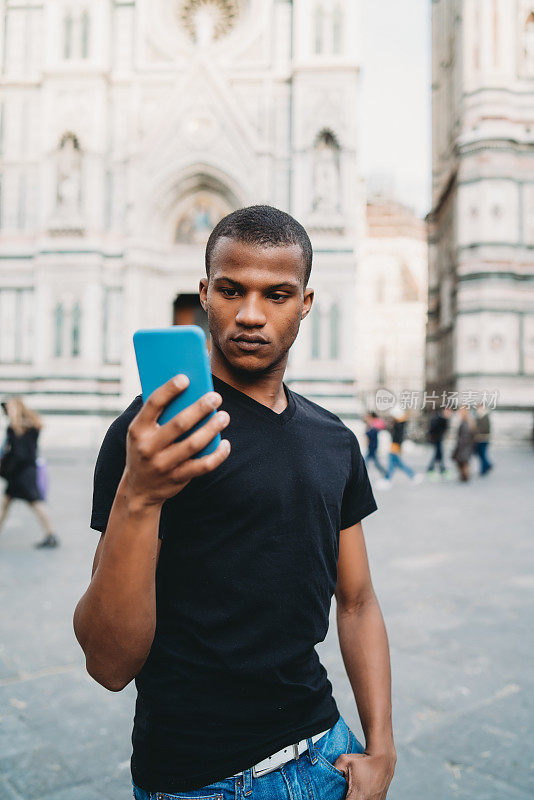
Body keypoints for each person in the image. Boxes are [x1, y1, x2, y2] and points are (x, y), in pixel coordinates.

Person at [74, 206, 396, 800]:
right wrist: (139, 495)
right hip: (199, 778)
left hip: (326, 753)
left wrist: (381, 747)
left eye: (277, 295)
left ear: (305, 302)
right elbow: (108, 663)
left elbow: (356, 601)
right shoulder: (151, 436)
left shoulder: (335, 440)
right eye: (231, 290)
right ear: (204, 293)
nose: (250, 315)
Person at [0, 397, 59, 548]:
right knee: (7, 504)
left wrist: (6, 468)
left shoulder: (16, 429)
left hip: (21, 473)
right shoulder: (31, 426)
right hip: (26, 470)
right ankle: (51, 534)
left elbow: (18, 454)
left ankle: (51, 534)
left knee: (35, 503)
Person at [378, 408, 422, 488]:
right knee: (398, 464)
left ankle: (387, 480)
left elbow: (397, 436)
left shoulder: (399, 424)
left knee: (392, 464)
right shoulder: (400, 423)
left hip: (395, 446)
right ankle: (413, 475)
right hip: (395, 446)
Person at [451, 405, 476, 482]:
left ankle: (465, 476)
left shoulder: (465, 423)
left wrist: (459, 445)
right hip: (466, 446)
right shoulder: (468, 422)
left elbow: (464, 437)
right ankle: (464, 476)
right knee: (464, 462)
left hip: (463, 446)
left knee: (463, 462)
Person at [426, 407, 452, 477]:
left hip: (438, 439)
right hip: (437, 440)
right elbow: (434, 429)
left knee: (438, 455)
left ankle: (439, 468)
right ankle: (438, 468)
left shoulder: (440, 418)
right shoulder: (439, 419)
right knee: (438, 455)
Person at [364, 412, 387, 477]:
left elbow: (370, 434)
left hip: (373, 446)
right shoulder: (371, 426)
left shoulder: (374, 426)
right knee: (369, 461)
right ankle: (385, 473)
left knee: (368, 462)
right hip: (371, 446)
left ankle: (385, 474)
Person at [473, 402, 493, 476]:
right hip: (482, 438)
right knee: (481, 454)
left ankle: (485, 468)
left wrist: (476, 433)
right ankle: (486, 466)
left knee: (482, 454)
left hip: (482, 438)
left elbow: (484, 428)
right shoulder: (480, 415)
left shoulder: (483, 415)